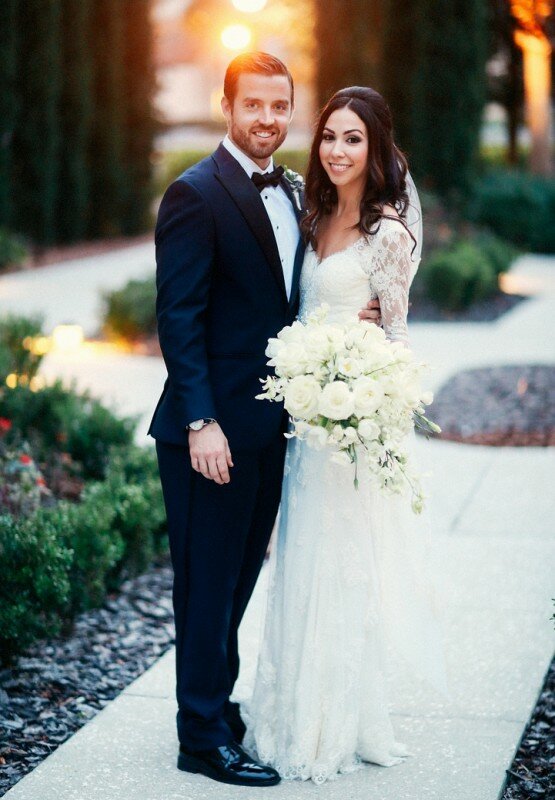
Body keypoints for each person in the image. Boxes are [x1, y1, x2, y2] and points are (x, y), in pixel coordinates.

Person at [149, 54, 381, 788]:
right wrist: (199, 424)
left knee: (238, 579)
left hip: (269, 429)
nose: (267, 119)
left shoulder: (289, 189)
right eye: (253, 105)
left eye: (279, 107)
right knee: (205, 585)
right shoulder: (194, 194)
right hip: (209, 435)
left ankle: (217, 707)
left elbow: (289, 303)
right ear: (226, 105)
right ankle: (200, 737)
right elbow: (177, 318)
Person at [246, 86, 447, 784]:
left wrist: (360, 400)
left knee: (337, 567)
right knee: (297, 561)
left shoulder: (388, 233)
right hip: (300, 420)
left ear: (377, 147)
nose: (336, 149)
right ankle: (283, 713)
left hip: (346, 428)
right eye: (329, 135)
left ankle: (329, 726)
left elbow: (393, 336)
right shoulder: (316, 212)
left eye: (352, 138)